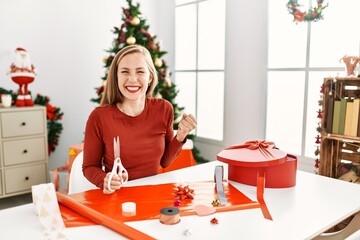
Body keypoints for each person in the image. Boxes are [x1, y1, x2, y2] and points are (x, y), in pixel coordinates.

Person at [83, 44, 197, 194]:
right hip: (118, 197)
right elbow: (90, 166)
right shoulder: (99, 117)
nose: (132, 79)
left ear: (149, 77)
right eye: (125, 72)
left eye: (140, 71)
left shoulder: (163, 109)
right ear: (116, 76)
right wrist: (104, 179)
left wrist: (181, 135)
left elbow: (165, 161)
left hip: (152, 194)